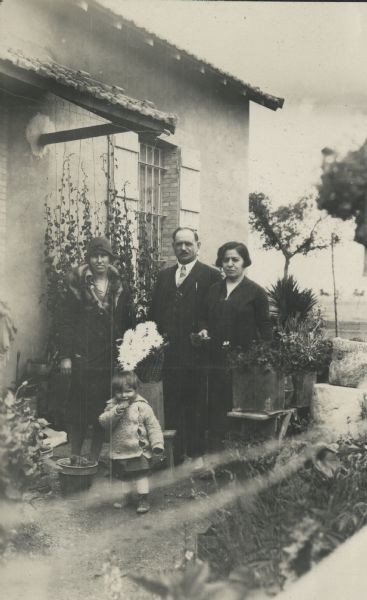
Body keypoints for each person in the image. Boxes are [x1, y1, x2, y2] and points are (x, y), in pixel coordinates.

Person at [58, 236, 134, 463]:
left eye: (104, 256)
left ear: (110, 259)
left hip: (108, 357)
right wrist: (65, 356)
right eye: (95, 255)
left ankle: (92, 458)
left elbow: (126, 322)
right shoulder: (76, 285)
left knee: (103, 409)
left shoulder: (120, 286)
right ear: (89, 258)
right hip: (83, 354)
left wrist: (127, 354)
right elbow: (64, 322)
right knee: (79, 409)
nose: (99, 260)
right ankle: (74, 456)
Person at [150, 227, 222, 464]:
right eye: (178, 244)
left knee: (196, 403)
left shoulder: (211, 276)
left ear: (198, 245)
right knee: (171, 402)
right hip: (168, 354)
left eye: (188, 244)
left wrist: (205, 331)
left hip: (197, 354)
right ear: (173, 247)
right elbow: (154, 314)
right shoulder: (163, 277)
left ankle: (196, 454)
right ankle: (175, 455)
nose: (183, 248)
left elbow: (216, 313)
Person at [201, 241, 272, 449]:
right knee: (216, 407)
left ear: (244, 262)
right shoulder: (214, 290)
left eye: (235, 259)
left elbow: (265, 327)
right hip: (214, 359)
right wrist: (203, 329)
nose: (230, 264)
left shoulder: (256, 292)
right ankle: (215, 456)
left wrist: (263, 358)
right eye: (226, 260)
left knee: (240, 407)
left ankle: (239, 455)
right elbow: (203, 317)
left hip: (244, 362)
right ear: (220, 263)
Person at [99, 370, 164, 514]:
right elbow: (103, 422)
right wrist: (116, 412)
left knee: (141, 475)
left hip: (138, 449)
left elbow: (153, 426)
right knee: (124, 476)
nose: (123, 396)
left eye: (128, 391)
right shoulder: (112, 406)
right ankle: (126, 497)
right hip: (120, 449)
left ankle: (143, 498)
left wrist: (157, 443)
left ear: (136, 389)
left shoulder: (142, 406)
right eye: (119, 392)